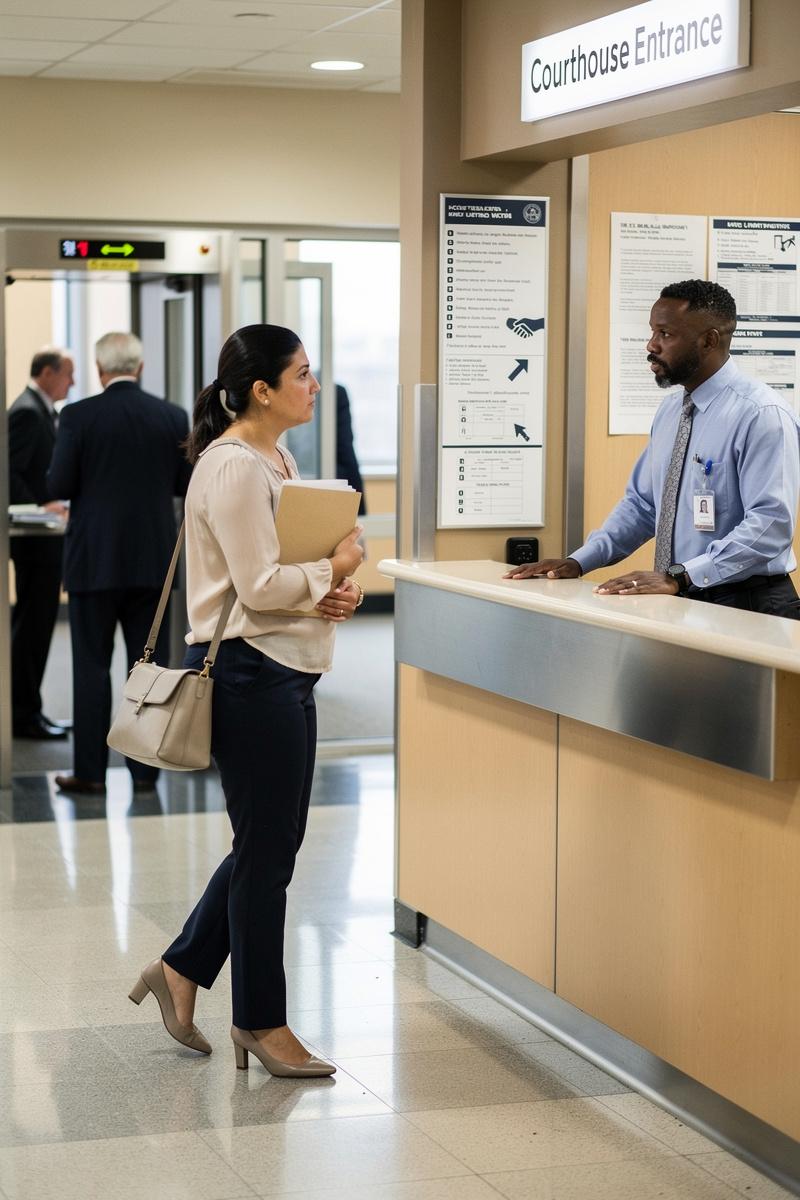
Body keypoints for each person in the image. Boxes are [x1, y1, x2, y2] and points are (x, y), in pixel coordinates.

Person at [127, 324, 364, 1076]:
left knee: (270, 844)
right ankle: (261, 1023)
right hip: (249, 674)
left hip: (286, 667)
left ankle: (180, 970)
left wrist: (330, 590)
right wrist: (334, 569)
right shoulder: (232, 468)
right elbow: (259, 587)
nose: (314, 385)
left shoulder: (277, 457)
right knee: (267, 856)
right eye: (301, 374)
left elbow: (275, 577)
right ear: (262, 389)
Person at [506, 279, 800, 617]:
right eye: (652, 332)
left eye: (665, 334)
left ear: (709, 340)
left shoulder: (761, 414)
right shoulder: (672, 411)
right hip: (683, 599)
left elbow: (769, 527)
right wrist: (578, 561)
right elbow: (643, 506)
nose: (651, 345)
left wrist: (682, 575)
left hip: (748, 604)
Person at [46, 332, 191, 795]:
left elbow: (60, 481)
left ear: (98, 368)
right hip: (154, 562)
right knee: (148, 668)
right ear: (141, 366)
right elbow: (182, 482)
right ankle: (145, 771)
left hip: (94, 560)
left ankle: (89, 772)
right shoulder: (171, 416)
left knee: (90, 666)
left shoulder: (77, 415)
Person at [8, 347, 74, 739]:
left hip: (42, 538)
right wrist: (40, 504)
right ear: (47, 373)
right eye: (68, 374)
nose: (72, 382)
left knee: (36, 625)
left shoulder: (40, 408)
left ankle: (29, 709)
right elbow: (10, 472)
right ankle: (23, 714)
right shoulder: (28, 412)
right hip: (33, 538)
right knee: (33, 626)